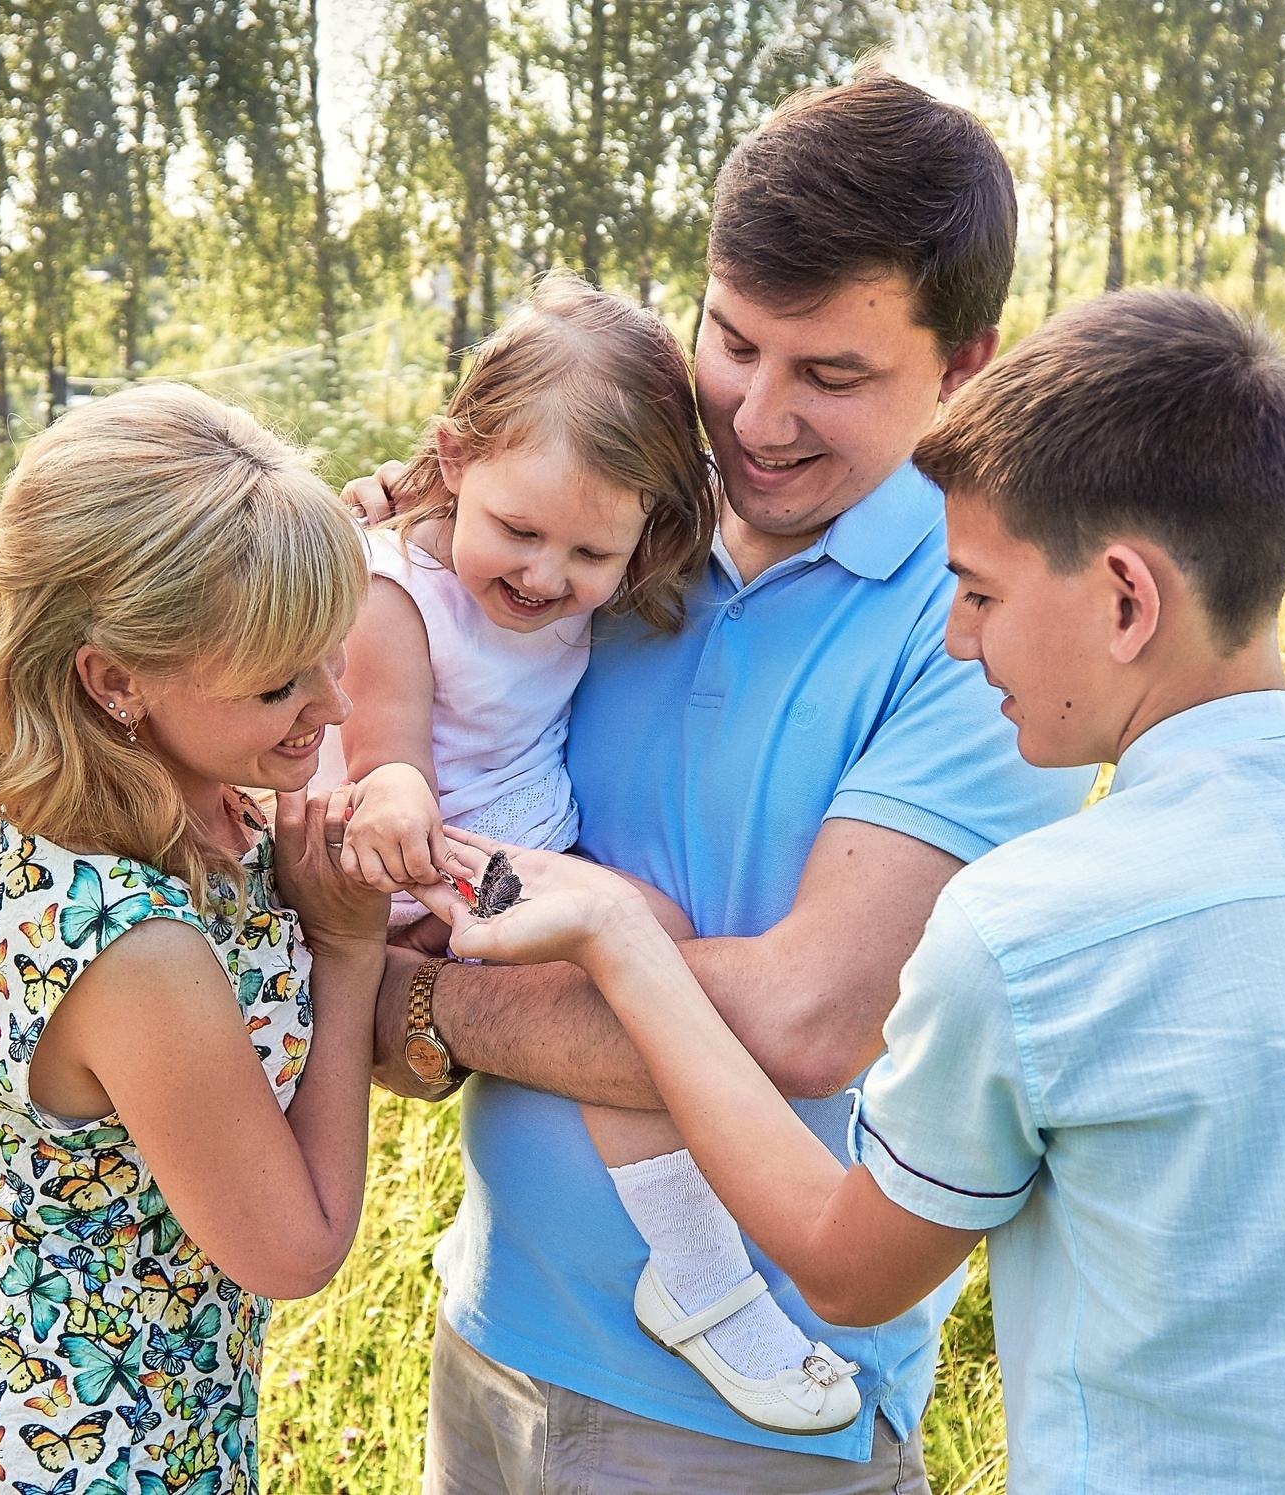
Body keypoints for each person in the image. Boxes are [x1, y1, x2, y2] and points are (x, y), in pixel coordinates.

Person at [417, 289, 1285, 1493]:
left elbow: (845, 1267)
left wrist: (614, 939)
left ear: (1127, 597)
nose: (961, 636)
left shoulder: (1033, 927)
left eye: (977, 591)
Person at [348, 69, 1095, 1489]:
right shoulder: (611, 524)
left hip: (753, 1424)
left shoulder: (988, 620)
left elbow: (816, 1016)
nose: (755, 417)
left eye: (832, 374)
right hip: (493, 1333)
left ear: (969, 360)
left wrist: (418, 998)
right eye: (733, 343)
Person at [334, 276, 866, 1434]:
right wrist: (392, 805)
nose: (543, 576)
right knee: (638, 963)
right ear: (454, 460)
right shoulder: (396, 593)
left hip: (517, 844)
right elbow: (386, 758)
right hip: (431, 856)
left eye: (589, 552)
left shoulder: (580, 555)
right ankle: (703, 1276)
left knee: (637, 962)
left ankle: (690, 1269)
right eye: (518, 532)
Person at [0, 384, 394, 1495]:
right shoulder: (136, 948)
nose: (331, 705)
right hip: (89, 1446)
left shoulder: (70, 799)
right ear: (115, 678)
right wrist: (350, 954)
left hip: (39, 1400)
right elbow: (293, 1248)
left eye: (332, 652)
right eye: (278, 682)